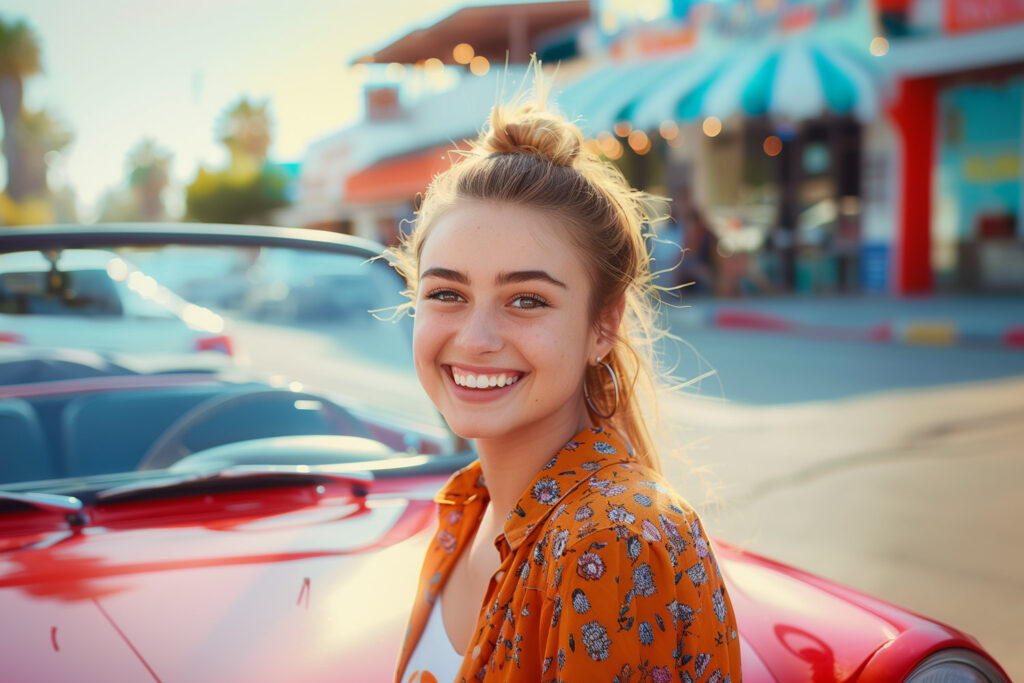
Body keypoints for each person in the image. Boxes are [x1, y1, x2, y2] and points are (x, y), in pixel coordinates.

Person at [386, 67, 741, 683]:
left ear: (603, 326)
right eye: (446, 293)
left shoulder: (606, 540)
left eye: (527, 300)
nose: (475, 339)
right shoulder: (468, 507)